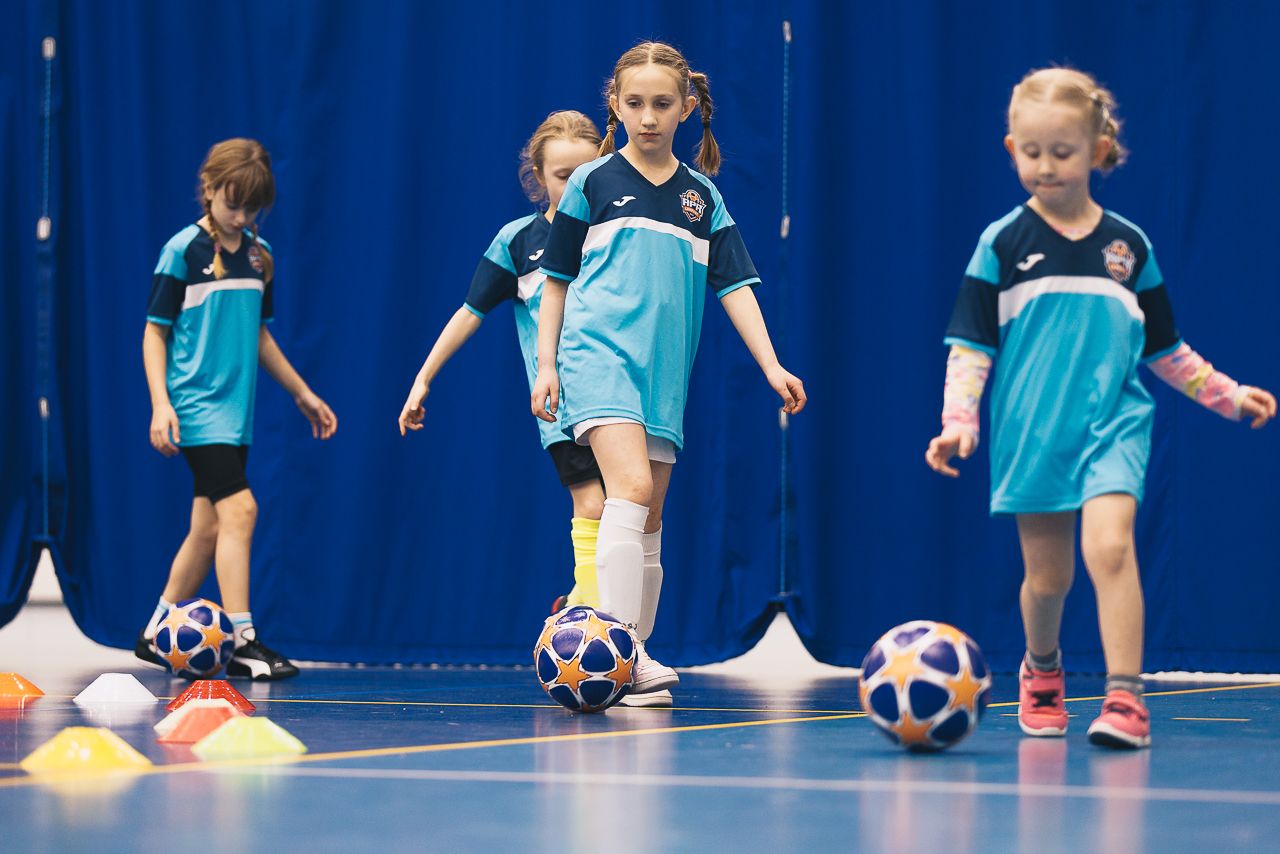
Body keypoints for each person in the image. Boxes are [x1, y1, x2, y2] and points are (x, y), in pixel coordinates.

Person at [925, 68, 1276, 748]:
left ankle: (1124, 698)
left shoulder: (1129, 248)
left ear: (1098, 150)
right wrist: (958, 421)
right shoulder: (1001, 243)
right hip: (1033, 435)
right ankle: (1042, 667)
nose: (1045, 166)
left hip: (1116, 425)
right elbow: (970, 346)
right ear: (1011, 149)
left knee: (1110, 548)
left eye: (1062, 152)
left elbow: (1166, 350)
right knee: (1047, 579)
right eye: (1031, 152)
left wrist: (1229, 396)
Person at [532, 42, 806, 707]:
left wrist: (771, 364)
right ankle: (621, 652)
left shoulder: (700, 197)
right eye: (634, 104)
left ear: (686, 108)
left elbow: (735, 286)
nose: (648, 117)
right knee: (626, 488)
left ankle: (633, 658)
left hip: (663, 378)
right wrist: (546, 364)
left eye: (661, 104)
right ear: (615, 105)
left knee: (650, 514)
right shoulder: (592, 183)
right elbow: (556, 280)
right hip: (597, 360)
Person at [139, 138, 338, 680]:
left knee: (208, 528)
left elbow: (259, 335)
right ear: (208, 189)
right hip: (194, 406)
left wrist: (302, 393)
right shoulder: (182, 251)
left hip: (236, 415)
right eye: (233, 204)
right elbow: (154, 334)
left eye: (253, 209)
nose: (242, 217)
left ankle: (154, 632)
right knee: (242, 511)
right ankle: (243, 640)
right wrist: (161, 404)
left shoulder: (258, 255)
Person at [398, 111, 606, 612]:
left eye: (584, 175)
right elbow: (469, 313)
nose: (574, 188)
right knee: (594, 504)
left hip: (620, 397)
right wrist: (423, 379)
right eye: (562, 176)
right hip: (563, 406)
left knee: (629, 509)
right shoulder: (518, 242)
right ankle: (595, 617)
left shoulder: (615, 233)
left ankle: (581, 599)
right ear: (538, 176)